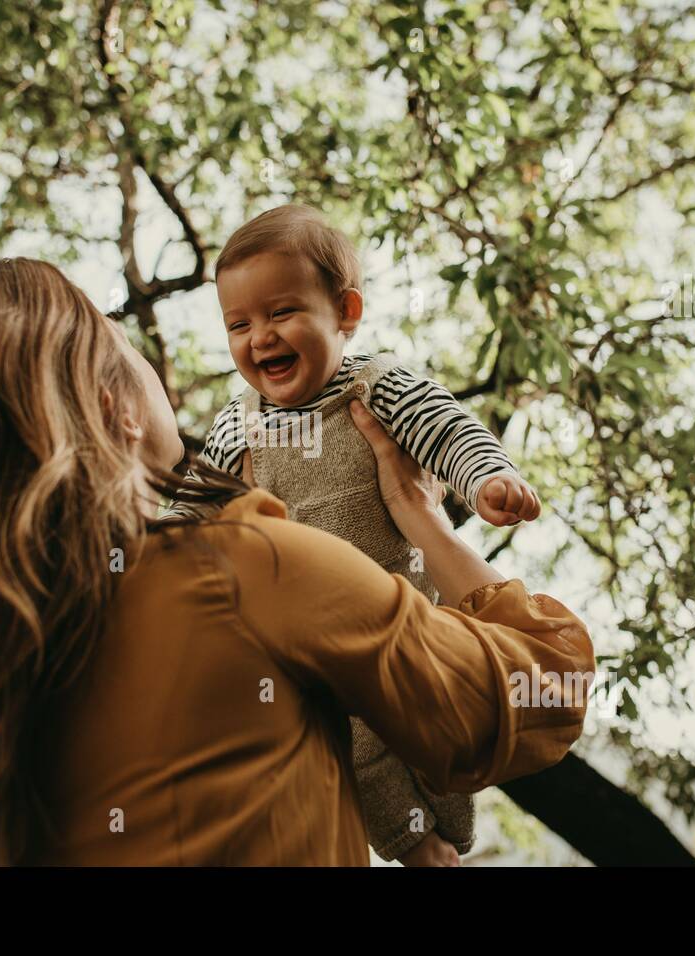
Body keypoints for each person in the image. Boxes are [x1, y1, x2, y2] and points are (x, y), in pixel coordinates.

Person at [0, 257, 593, 866]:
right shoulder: (240, 568)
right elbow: (537, 692)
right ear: (111, 405)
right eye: (122, 342)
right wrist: (425, 523)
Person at [169, 203, 541, 863]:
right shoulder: (237, 424)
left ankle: (450, 828)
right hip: (311, 641)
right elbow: (190, 515)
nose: (260, 338)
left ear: (345, 312)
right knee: (354, 748)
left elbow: (450, 429)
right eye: (238, 324)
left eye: (282, 313)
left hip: (403, 612)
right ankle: (412, 843)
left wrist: (486, 481)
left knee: (432, 727)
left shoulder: (380, 387)